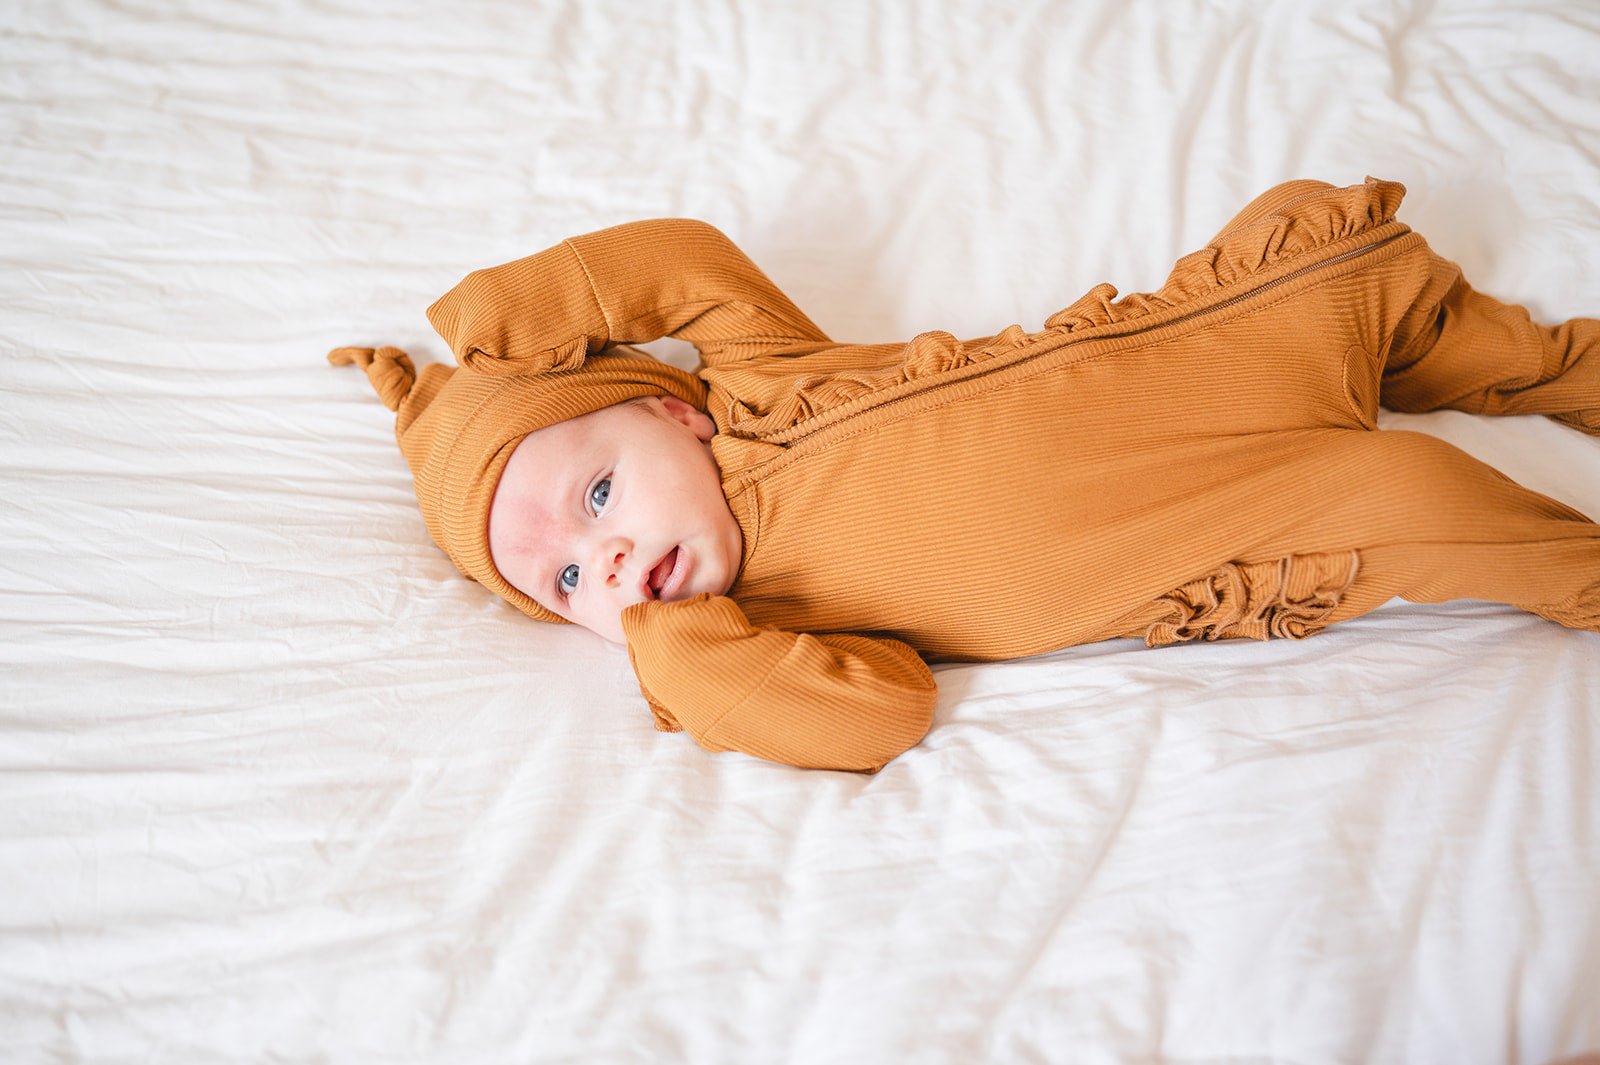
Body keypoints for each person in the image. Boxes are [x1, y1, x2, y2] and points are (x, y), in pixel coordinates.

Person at [329, 177, 1600, 773]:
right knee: (1431, 506)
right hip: (1236, 526)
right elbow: (880, 716)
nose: (599, 560)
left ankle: (1535, 366)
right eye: (560, 581)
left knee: (1335, 263)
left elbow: (686, 255)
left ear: (674, 412)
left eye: (597, 495)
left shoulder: (765, 377)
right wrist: (683, 655)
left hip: (1192, 356)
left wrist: (512, 315)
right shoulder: (758, 636)